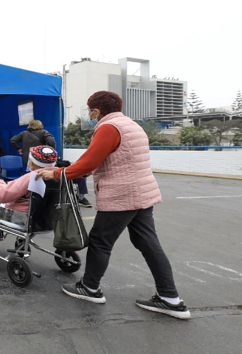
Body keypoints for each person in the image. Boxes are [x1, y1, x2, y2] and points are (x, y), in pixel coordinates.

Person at [37, 91, 189, 319]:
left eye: (90, 111)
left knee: (100, 241)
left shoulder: (109, 128)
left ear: (96, 111)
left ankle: (89, 288)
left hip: (122, 195)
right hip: (142, 194)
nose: (90, 115)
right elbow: (109, 160)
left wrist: (56, 173)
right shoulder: (132, 125)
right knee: (148, 243)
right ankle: (170, 298)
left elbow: (89, 162)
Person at [0, 145, 59, 241]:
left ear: (32, 163)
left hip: (24, 219)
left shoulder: (31, 177)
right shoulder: (61, 177)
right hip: (50, 220)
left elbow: (3, 195)